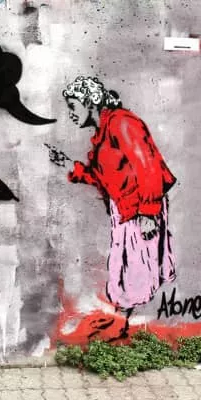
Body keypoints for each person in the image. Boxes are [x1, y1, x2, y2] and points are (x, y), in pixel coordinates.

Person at [60, 76, 177, 339]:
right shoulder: (104, 132)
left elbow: (147, 165)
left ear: (90, 103)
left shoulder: (121, 123)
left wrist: (148, 213)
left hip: (139, 208)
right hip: (125, 208)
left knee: (136, 269)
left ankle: (128, 329)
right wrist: (71, 166)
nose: (71, 114)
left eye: (73, 106)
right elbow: (104, 179)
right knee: (126, 267)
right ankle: (124, 324)